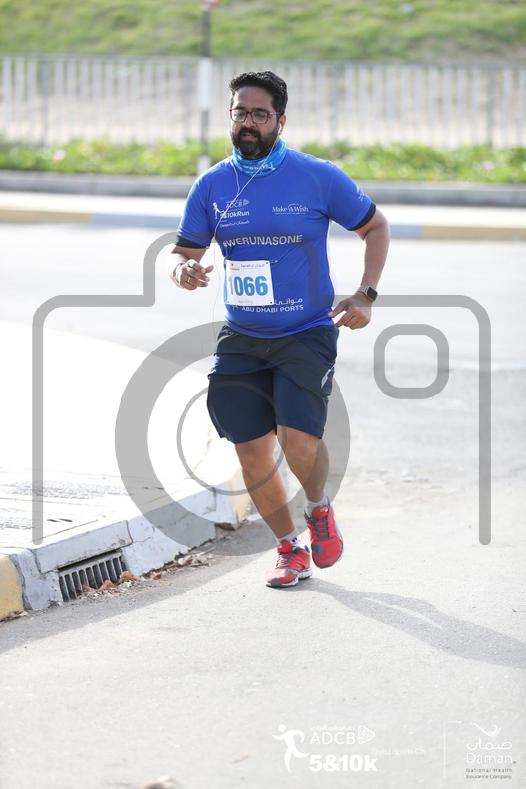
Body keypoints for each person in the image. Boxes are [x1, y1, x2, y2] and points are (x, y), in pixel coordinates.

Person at [169, 70, 390, 588]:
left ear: (280, 121)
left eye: (259, 114)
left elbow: (375, 226)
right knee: (250, 450)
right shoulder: (212, 184)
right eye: (240, 112)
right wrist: (182, 270)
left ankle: (318, 508)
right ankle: (289, 548)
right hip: (243, 337)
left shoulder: (317, 177)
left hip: (306, 331)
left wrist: (366, 293)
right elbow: (183, 252)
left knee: (298, 443)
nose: (248, 122)